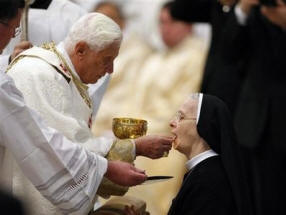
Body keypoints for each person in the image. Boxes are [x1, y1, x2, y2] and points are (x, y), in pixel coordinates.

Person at [0, 1, 170, 214]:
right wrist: (130, 151)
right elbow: (53, 147)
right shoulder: (39, 75)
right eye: (106, 60)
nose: (111, 70)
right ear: (81, 50)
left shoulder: (63, 73)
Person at [221, 1, 286, 214]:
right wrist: (243, 8)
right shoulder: (256, 10)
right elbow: (229, 53)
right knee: (258, 201)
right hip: (257, 121)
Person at [168, 93, 253, 215]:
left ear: (202, 124)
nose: (172, 122)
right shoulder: (203, 171)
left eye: (181, 117)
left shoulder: (209, 181)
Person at [170, 0, 246, 115]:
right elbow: (179, 9)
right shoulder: (217, 5)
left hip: (247, 98)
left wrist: (242, 8)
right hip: (213, 89)